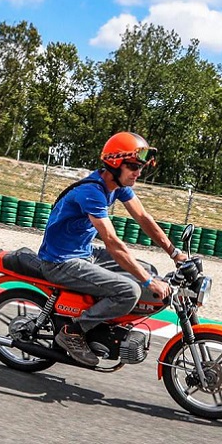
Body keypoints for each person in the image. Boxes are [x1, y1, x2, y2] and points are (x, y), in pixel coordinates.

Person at [38, 131, 189, 367]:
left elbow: (143, 218)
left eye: (140, 167)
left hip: (84, 252)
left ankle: (106, 324)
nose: (138, 173)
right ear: (115, 164)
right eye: (133, 167)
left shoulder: (117, 186)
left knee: (147, 268)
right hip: (60, 261)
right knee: (130, 290)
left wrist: (174, 252)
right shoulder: (92, 191)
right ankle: (74, 330)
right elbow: (113, 242)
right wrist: (149, 282)